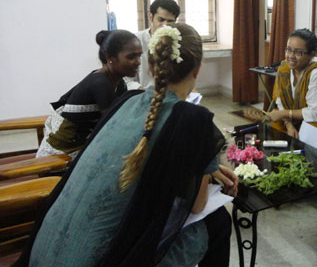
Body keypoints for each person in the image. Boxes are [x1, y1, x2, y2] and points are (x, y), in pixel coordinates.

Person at [17, 24, 237, 267]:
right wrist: (203, 166)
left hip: (41, 253)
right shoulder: (193, 118)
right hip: (103, 260)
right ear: (197, 70)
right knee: (217, 222)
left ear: (151, 65)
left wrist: (207, 166)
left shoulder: (126, 101)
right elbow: (197, 206)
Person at [36, 29, 142, 158]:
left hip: (81, 149)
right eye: (131, 57)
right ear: (110, 58)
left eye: (139, 55)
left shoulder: (119, 83)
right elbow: (113, 127)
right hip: (62, 156)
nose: (138, 62)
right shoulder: (100, 83)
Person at [126, 0, 181, 90]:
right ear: (150, 16)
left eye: (170, 21)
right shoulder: (135, 41)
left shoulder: (178, 41)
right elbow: (126, 79)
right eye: (161, 19)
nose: (165, 25)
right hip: (141, 94)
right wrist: (140, 89)